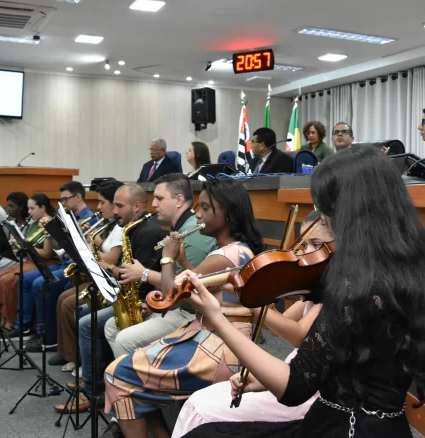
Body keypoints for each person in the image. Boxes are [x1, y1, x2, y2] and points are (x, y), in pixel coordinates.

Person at [181, 144, 425, 438]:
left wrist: (217, 318)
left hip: (343, 427)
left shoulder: (354, 287)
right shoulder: (409, 271)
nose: (323, 221)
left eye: (327, 213)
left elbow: (295, 387)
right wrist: (262, 378)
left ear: (351, 214)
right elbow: (354, 365)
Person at [102, 178, 264, 438]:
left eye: (206, 208)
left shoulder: (224, 256)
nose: (198, 214)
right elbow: (201, 288)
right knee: (131, 379)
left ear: (227, 214)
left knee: (116, 374)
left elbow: (170, 297)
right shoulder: (237, 250)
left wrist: (167, 257)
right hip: (219, 340)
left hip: (219, 351)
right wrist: (184, 261)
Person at [172, 210, 332, 437]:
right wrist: (235, 287)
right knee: (199, 401)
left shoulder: (334, 296)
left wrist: (250, 299)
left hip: (309, 390)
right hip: (295, 371)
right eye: (304, 245)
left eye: (315, 244)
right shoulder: (316, 291)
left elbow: (298, 335)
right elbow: (281, 326)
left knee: (202, 409)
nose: (304, 254)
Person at [53, 183, 166, 414]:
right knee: (84, 314)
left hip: (143, 301)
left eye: (119, 206)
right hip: (129, 295)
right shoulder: (133, 229)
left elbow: (139, 279)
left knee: (87, 323)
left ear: (137, 206)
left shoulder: (147, 233)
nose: (114, 211)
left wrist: (107, 268)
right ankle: (98, 381)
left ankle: (93, 392)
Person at [104, 173, 217, 359]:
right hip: (176, 306)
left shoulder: (192, 233)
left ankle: (132, 376)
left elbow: (186, 287)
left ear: (179, 200)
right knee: (111, 327)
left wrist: (144, 274)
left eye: (159, 198)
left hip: (189, 313)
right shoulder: (178, 227)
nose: (154, 204)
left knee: (124, 339)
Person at [7, 181, 94, 349]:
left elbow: (77, 250)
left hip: (76, 267)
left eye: (65, 199)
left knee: (40, 283)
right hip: (65, 263)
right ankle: (25, 327)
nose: (63, 203)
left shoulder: (89, 219)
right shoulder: (68, 217)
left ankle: (48, 337)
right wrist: (51, 231)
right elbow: (58, 246)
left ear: (78, 197)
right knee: (26, 279)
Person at [49, 181, 124, 371]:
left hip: (109, 280)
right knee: (63, 298)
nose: (98, 207)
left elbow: (111, 258)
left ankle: (79, 358)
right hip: (100, 274)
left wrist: (89, 247)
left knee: (68, 303)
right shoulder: (111, 225)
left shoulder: (120, 227)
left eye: (102, 202)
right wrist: (89, 241)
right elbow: (103, 249)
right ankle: (68, 354)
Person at [0, 194, 56, 333]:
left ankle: (11, 322)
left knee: (8, 281)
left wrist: (25, 245)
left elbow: (47, 254)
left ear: (42, 208)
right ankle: (1, 319)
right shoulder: (33, 223)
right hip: (30, 261)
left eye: (32, 208)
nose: (28, 212)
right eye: (28, 208)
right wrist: (15, 245)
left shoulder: (49, 224)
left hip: (44, 263)